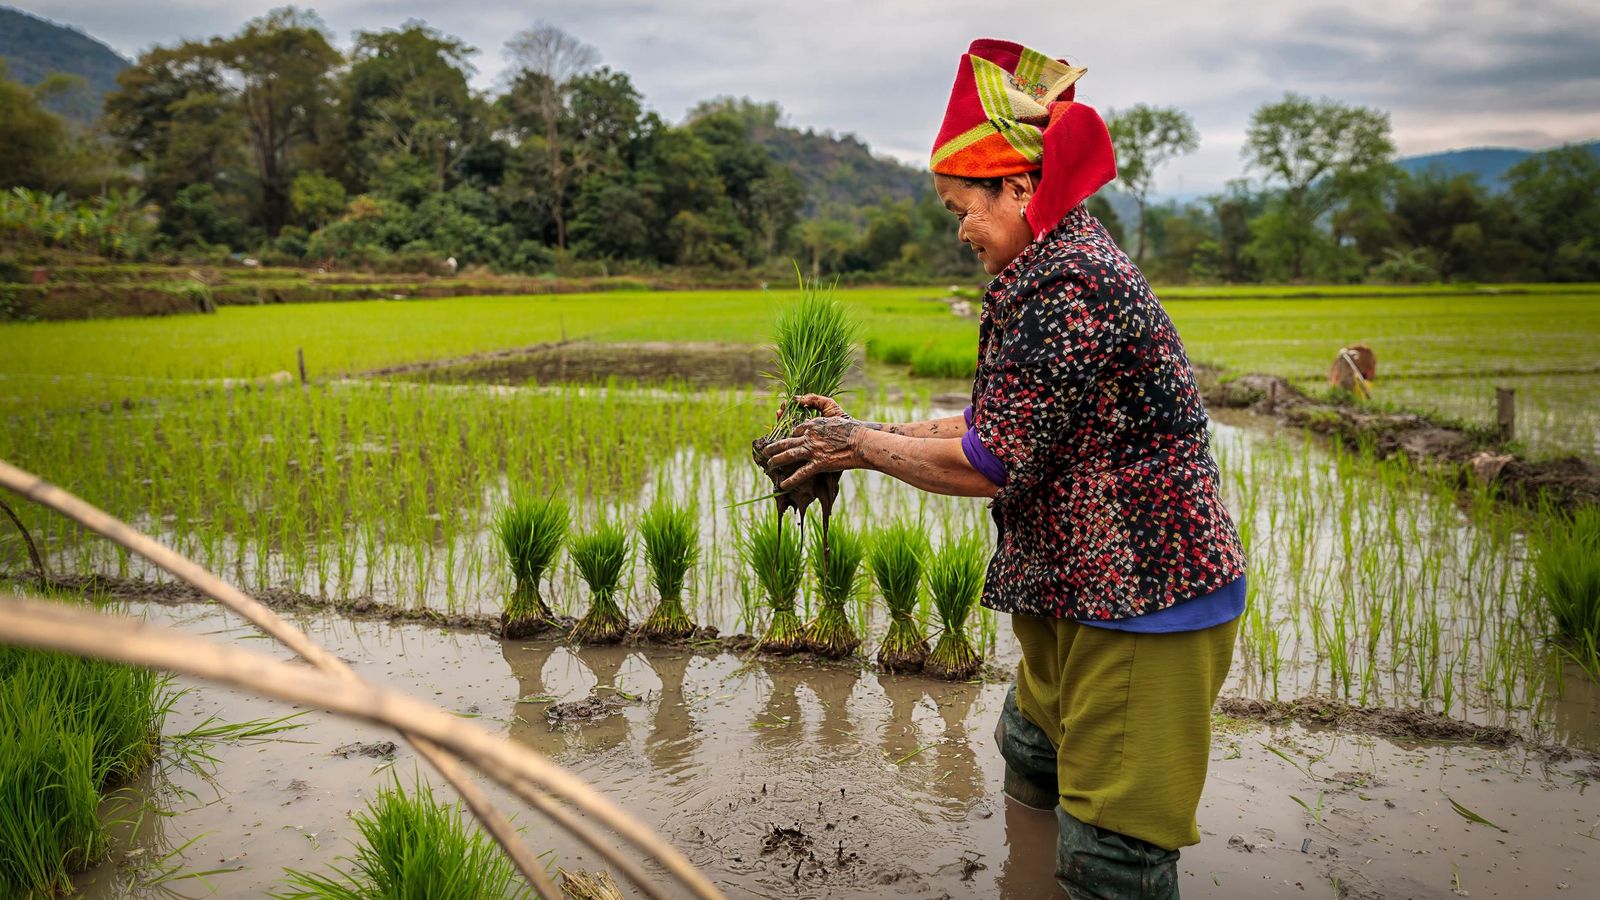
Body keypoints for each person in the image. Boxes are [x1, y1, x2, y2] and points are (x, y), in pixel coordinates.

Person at [760, 38, 1246, 899]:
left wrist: (857, 448)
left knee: (1113, 851)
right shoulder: (1040, 274)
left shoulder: (1076, 285)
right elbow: (995, 422)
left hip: (1140, 595)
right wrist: (866, 429)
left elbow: (992, 462)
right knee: (1030, 749)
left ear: (1020, 188)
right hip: (1072, 582)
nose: (960, 230)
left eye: (964, 206)